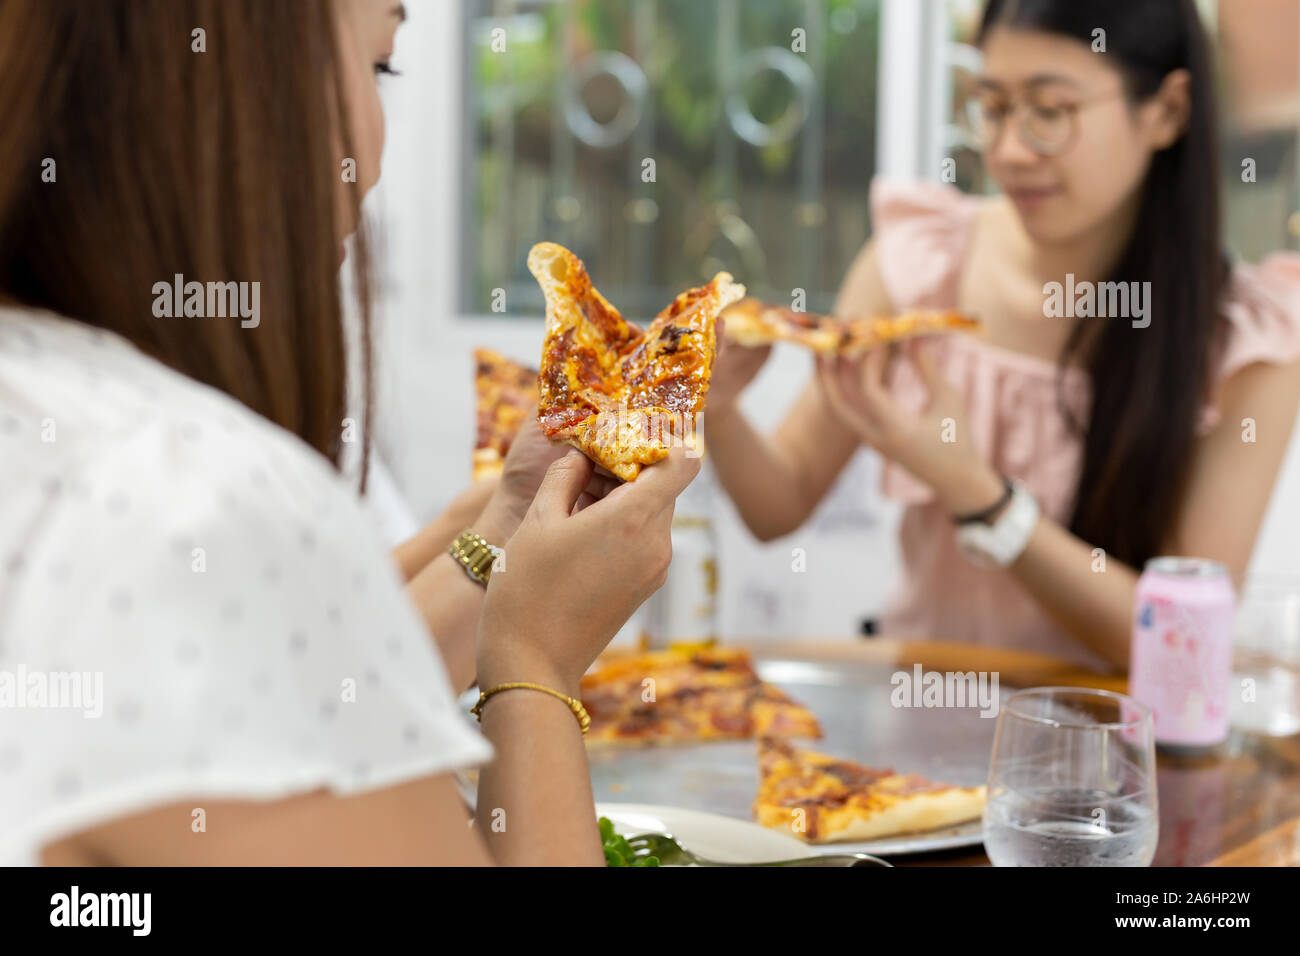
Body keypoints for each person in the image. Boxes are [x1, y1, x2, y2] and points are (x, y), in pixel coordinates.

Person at [0, 0, 697, 866]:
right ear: (235, 83)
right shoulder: (181, 489)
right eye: (379, 66)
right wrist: (534, 667)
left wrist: (498, 534)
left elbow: (291, 690)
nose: (371, 160)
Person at [706, 0, 1300, 672]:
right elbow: (776, 504)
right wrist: (720, 407)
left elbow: (1186, 648)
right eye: (991, 107)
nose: (1012, 151)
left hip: (1117, 762)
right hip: (916, 742)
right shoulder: (920, 263)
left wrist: (976, 493)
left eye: (1050, 112)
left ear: (1166, 110)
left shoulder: (1250, 337)